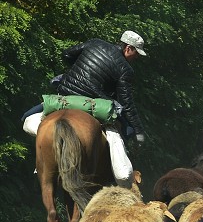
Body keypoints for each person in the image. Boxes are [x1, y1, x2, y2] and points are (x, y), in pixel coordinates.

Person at [22, 30, 148, 188]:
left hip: (65, 97)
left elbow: (66, 54)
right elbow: (126, 103)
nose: (136, 58)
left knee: (27, 118)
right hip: (95, 105)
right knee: (124, 133)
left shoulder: (95, 42)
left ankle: (43, 159)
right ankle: (116, 176)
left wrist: (75, 71)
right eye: (136, 53)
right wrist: (138, 131)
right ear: (128, 48)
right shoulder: (126, 70)